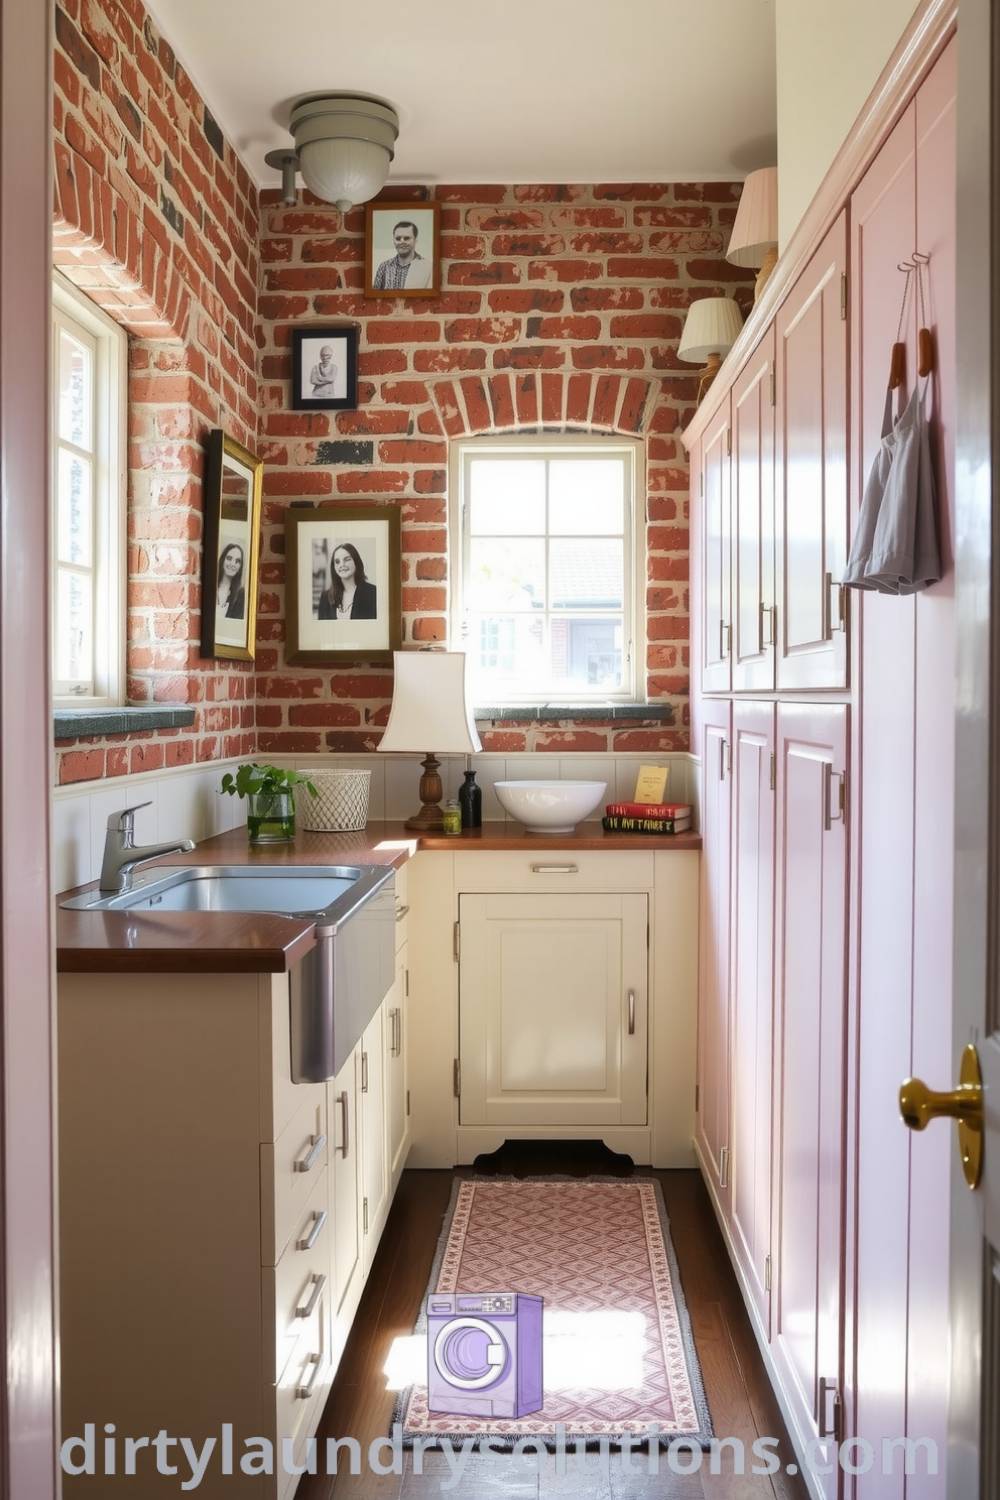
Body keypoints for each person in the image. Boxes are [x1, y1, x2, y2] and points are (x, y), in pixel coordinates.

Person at [317, 542, 377, 620]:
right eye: (337, 562)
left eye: (347, 559)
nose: (342, 565)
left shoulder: (373, 593)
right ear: (334, 567)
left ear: (356, 562)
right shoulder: (325, 597)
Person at [372, 220, 433, 292]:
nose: (402, 242)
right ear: (393, 241)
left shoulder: (428, 267)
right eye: (398, 238)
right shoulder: (384, 267)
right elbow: (375, 297)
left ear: (415, 240)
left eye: (406, 238)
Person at [216, 542, 245, 620]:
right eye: (229, 558)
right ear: (222, 560)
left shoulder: (241, 594)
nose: (233, 564)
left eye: (237, 561)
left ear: (240, 567)